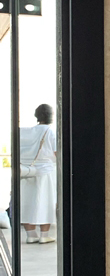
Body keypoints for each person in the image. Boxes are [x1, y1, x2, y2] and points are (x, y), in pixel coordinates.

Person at [20, 103, 57, 244]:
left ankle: (31, 235)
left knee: (27, 202)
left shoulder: (26, 132)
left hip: (27, 171)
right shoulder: (50, 132)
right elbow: (56, 152)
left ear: (36, 116)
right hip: (45, 172)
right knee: (45, 202)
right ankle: (44, 235)